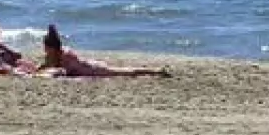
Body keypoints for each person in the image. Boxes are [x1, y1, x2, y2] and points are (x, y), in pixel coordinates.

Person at [39, 23, 171, 78]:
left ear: (51, 48)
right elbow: (46, 65)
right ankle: (155, 71)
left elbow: (65, 71)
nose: (44, 50)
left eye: (46, 47)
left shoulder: (65, 54)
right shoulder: (53, 55)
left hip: (95, 69)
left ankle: (157, 71)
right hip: (90, 66)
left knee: (127, 72)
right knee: (125, 72)